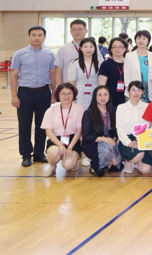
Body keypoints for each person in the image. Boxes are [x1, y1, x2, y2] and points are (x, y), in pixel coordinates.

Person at [10, 25, 56, 168]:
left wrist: (54, 93)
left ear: (44, 37)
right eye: (34, 35)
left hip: (44, 92)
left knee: (42, 125)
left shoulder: (49, 54)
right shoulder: (19, 54)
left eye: (40, 35)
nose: (37, 38)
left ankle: (38, 153)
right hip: (25, 93)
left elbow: (52, 74)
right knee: (24, 125)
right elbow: (13, 75)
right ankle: (25, 155)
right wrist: (14, 96)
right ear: (28, 37)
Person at [40, 83, 85, 177]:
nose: (66, 96)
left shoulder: (79, 109)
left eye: (69, 93)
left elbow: (79, 131)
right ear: (58, 95)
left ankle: (73, 162)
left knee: (68, 164)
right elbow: (48, 131)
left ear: (73, 95)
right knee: (53, 152)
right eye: (63, 94)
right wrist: (61, 145)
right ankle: (52, 167)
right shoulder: (51, 109)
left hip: (73, 140)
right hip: (56, 140)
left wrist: (70, 147)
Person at [81, 85, 123, 176]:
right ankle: (95, 165)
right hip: (94, 142)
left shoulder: (113, 110)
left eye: (105, 94)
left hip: (109, 141)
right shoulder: (88, 113)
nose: (103, 97)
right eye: (99, 95)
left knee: (116, 163)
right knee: (107, 154)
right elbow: (86, 136)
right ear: (95, 96)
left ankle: (108, 160)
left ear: (109, 96)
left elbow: (116, 129)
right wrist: (104, 139)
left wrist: (114, 139)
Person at [115, 81, 152, 174]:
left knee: (145, 170)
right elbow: (120, 128)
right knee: (139, 154)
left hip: (143, 138)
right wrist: (128, 142)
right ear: (128, 91)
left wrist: (142, 139)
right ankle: (128, 161)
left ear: (142, 92)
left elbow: (149, 126)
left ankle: (136, 162)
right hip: (127, 139)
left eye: (139, 90)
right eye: (133, 90)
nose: (136, 93)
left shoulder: (147, 106)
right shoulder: (121, 107)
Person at [54, 19, 104, 87]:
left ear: (86, 31)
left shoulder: (94, 47)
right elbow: (58, 70)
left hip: (92, 86)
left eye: (80, 29)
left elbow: (101, 67)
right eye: (74, 29)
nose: (77, 32)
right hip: (69, 87)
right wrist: (60, 88)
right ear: (70, 32)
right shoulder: (63, 48)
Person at [66, 37, 100, 111]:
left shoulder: (100, 62)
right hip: (80, 96)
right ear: (81, 48)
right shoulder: (74, 63)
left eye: (91, 47)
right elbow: (72, 83)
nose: (88, 49)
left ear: (95, 48)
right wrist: (72, 98)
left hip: (96, 95)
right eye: (85, 47)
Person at [124, 30, 152, 103]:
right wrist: (130, 90)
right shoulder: (129, 56)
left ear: (148, 41)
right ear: (135, 40)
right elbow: (127, 75)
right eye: (138, 38)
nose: (141, 41)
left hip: (149, 91)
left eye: (144, 38)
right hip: (133, 92)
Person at [98, 37, 127, 116]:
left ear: (125, 49)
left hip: (126, 97)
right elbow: (101, 85)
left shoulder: (128, 63)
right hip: (110, 98)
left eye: (120, 47)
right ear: (111, 49)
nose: (117, 49)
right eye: (114, 47)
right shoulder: (106, 64)